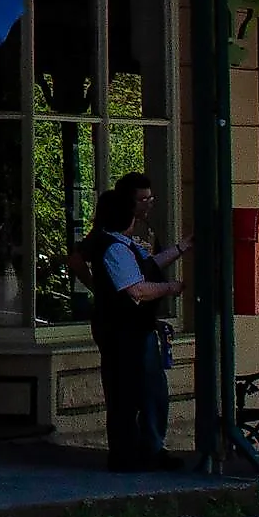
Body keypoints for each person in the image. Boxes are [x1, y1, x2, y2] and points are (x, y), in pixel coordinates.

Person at [85, 175, 189, 471]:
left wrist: (182, 248)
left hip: (132, 328)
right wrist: (171, 288)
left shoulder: (122, 244)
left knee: (141, 390)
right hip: (124, 330)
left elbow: (150, 264)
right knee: (129, 392)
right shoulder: (115, 248)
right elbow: (137, 289)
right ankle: (130, 453)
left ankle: (142, 448)